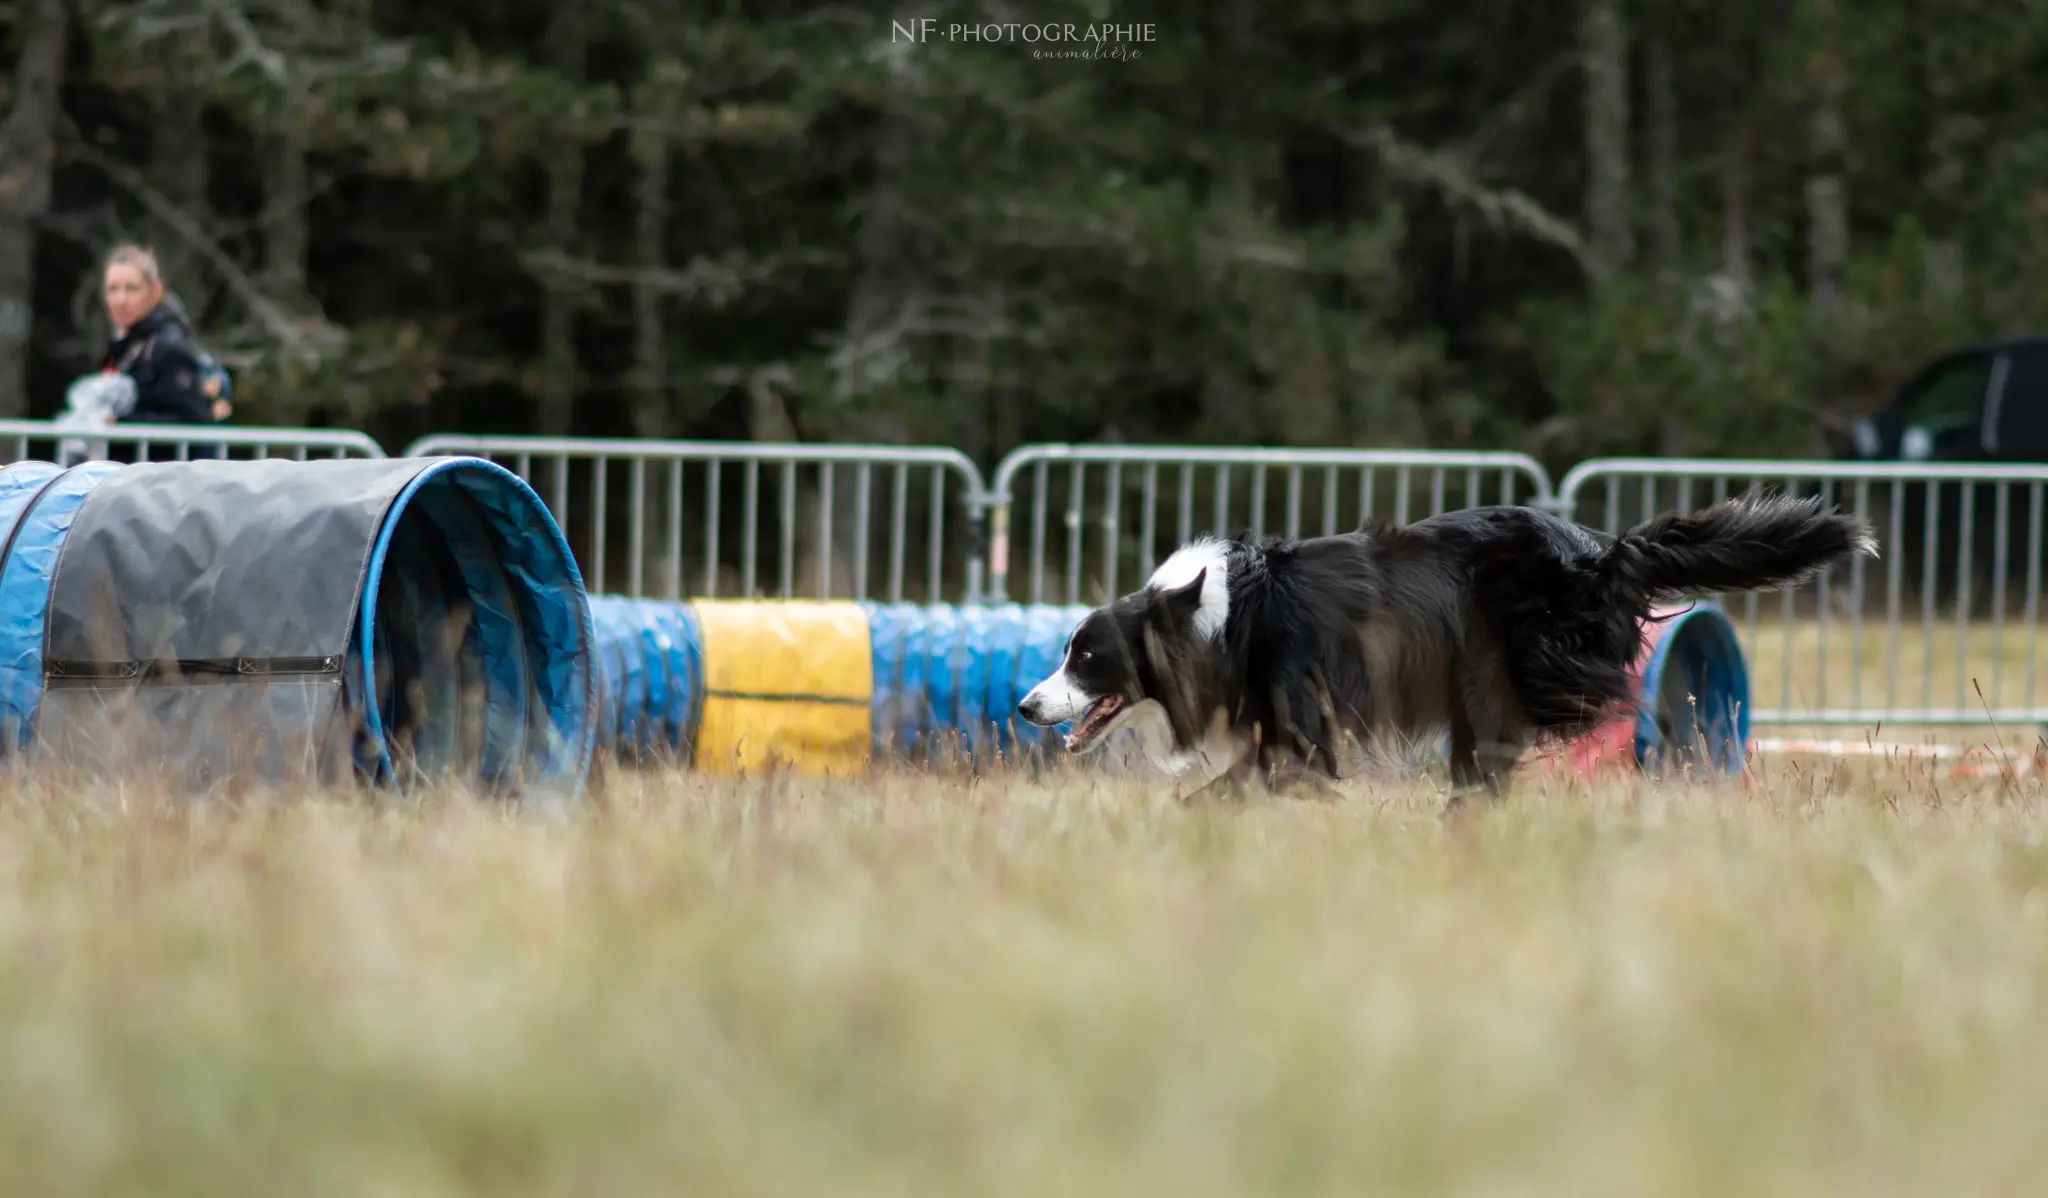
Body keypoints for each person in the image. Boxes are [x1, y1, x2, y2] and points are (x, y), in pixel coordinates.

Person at [91, 244, 231, 458]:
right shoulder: (123, 345)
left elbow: (189, 421)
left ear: (155, 292)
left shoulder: (168, 346)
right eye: (113, 289)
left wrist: (120, 425)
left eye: (132, 288)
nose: (121, 299)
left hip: (163, 480)